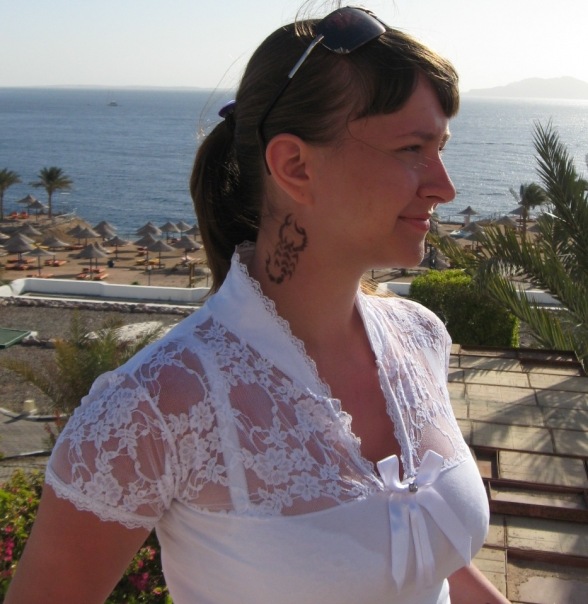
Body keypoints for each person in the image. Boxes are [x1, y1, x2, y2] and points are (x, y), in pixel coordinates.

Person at [6, 4, 509, 603]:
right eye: (412, 149)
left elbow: (427, 556)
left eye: (441, 148)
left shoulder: (420, 337)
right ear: (294, 166)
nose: (444, 187)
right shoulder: (152, 411)